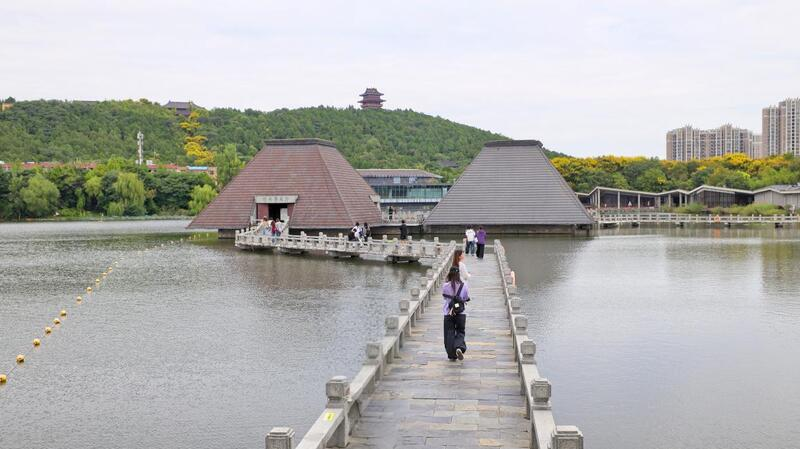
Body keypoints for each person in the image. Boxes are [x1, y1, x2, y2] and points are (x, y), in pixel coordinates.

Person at [442, 266, 469, 361]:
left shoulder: (445, 285)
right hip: (460, 313)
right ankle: (458, 347)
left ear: (449, 274)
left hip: (448, 313)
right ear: (458, 275)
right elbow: (466, 297)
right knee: (460, 332)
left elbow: (445, 298)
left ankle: (452, 355)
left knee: (449, 333)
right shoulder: (464, 285)